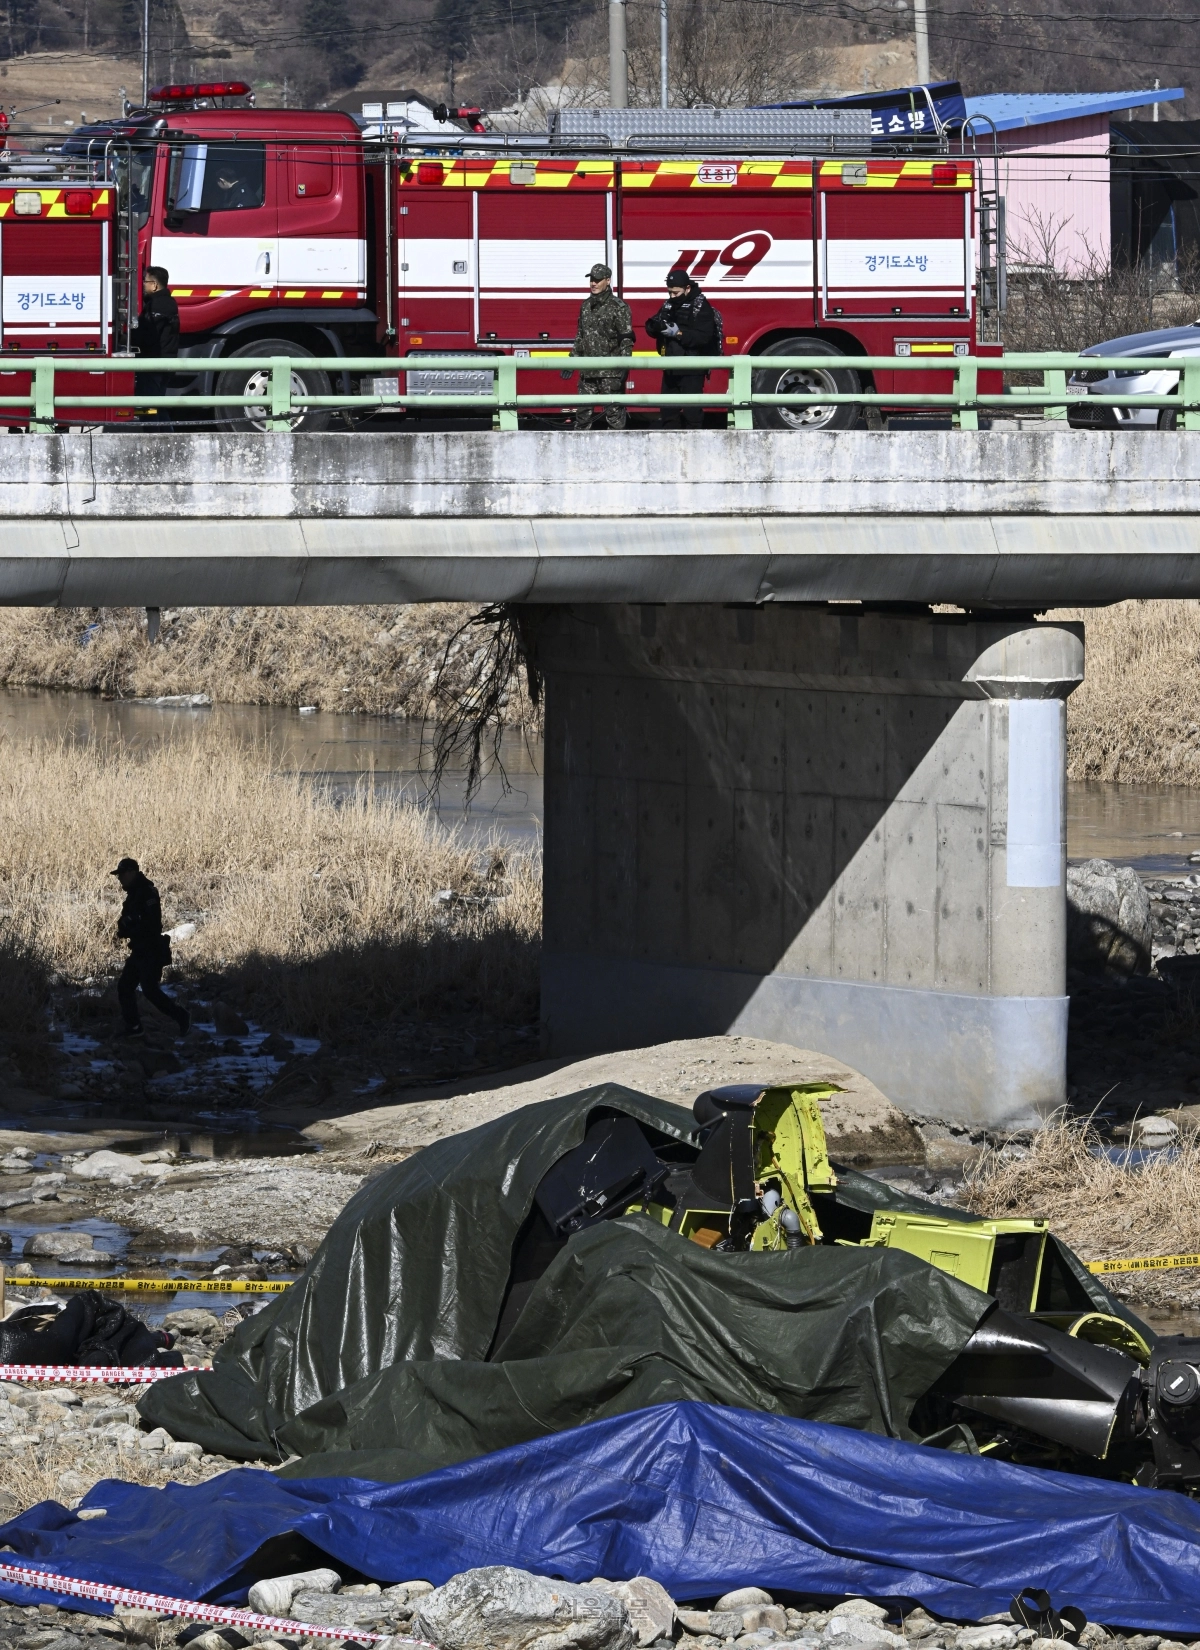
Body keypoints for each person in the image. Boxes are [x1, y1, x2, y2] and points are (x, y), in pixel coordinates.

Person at [112, 857, 189, 1039]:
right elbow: (125, 923)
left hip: (151, 949)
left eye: (122, 874)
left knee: (149, 990)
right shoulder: (133, 894)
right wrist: (126, 928)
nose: (119, 878)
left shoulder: (147, 892)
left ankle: (181, 1016)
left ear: (131, 872)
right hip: (139, 949)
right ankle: (134, 1028)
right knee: (125, 987)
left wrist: (132, 926)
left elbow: (152, 923)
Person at [645, 267, 720, 428]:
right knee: (668, 412)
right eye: (669, 292)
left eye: (676, 293)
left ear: (687, 288)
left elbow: (704, 337)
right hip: (671, 367)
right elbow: (653, 324)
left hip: (692, 367)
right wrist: (656, 327)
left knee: (692, 413)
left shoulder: (700, 306)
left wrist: (678, 333)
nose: (672, 296)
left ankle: (693, 446)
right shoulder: (668, 305)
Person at [565, 262, 634, 430]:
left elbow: (626, 340)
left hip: (610, 374)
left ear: (608, 281)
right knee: (582, 418)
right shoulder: (586, 306)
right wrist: (572, 361)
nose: (593, 284)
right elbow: (580, 336)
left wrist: (625, 366)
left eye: (597, 280)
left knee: (614, 418)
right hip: (587, 372)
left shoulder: (619, 307)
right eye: (591, 280)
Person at [137, 266, 179, 419]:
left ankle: (159, 439)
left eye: (145, 281)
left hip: (154, 364)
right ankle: (168, 437)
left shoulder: (156, 306)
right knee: (157, 406)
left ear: (154, 285)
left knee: (150, 409)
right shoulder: (169, 303)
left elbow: (146, 335)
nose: (143, 284)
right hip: (165, 363)